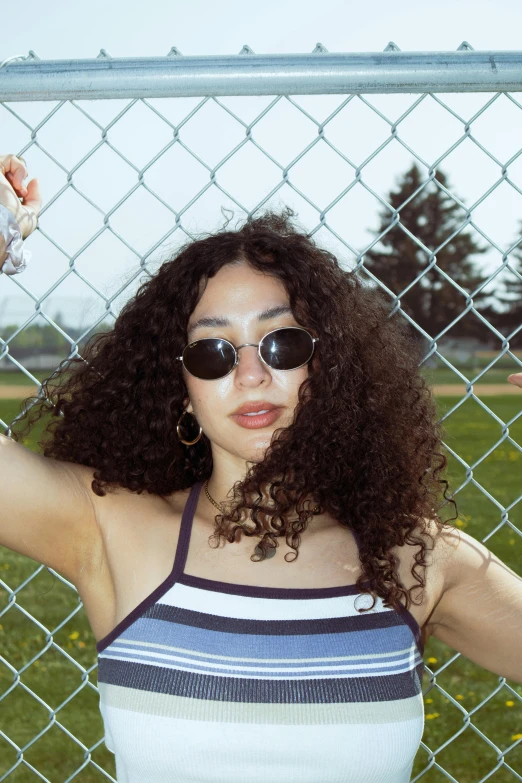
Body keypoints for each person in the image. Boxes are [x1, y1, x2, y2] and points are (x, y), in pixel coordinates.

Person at [1, 152, 521, 783]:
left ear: (328, 367)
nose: (250, 374)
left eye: (283, 343)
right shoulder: (107, 526)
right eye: (214, 350)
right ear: (181, 384)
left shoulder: (420, 560)